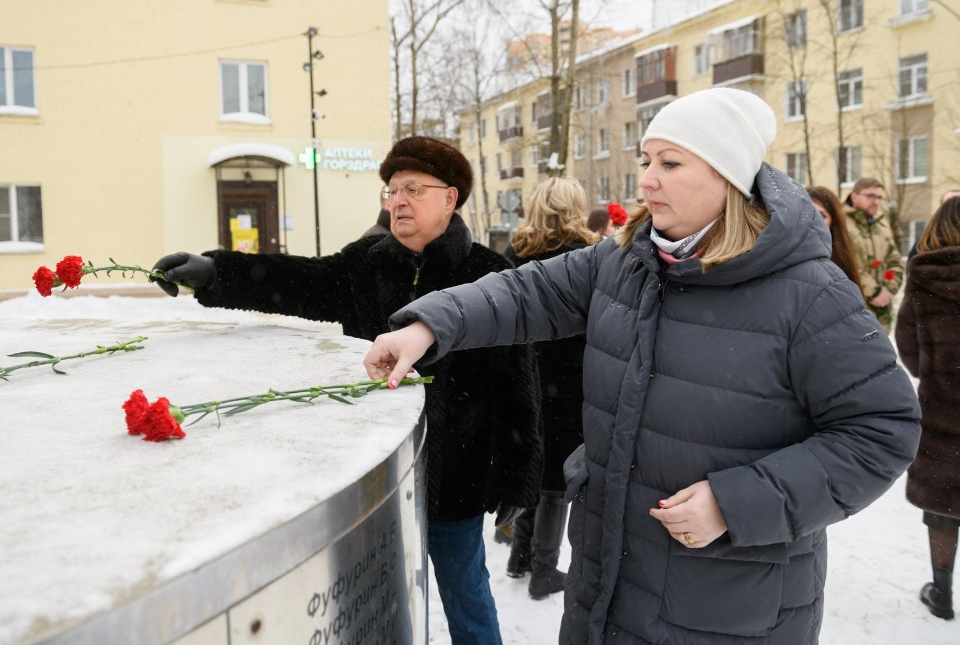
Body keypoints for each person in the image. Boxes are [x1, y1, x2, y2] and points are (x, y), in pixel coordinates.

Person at [363, 88, 921, 644]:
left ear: (728, 176)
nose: (648, 180)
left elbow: (882, 431)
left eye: (671, 163)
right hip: (608, 587)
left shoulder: (809, 294)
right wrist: (428, 326)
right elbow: (524, 292)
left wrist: (738, 503)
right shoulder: (628, 261)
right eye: (646, 162)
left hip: (728, 608)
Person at [151, 136, 544, 645]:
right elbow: (295, 281)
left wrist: (517, 475)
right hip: (375, 477)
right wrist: (214, 272)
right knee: (384, 602)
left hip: (457, 480)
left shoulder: (488, 274)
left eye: (412, 190)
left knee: (466, 597)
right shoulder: (367, 263)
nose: (396, 201)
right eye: (391, 190)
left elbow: (519, 382)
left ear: (450, 198)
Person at [502, 177, 597, 600]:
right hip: (570, 378)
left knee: (532, 463)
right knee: (556, 480)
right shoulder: (587, 256)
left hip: (524, 373)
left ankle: (520, 556)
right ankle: (544, 569)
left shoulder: (514, 253)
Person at [895, 196, 960, 621]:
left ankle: (941, 593)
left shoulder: (923, 279)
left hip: (943, 412)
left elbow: (910, 351)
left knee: (943, 506)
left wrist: (938, 372)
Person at [843, 177, 903, 332]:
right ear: (854, 196)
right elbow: (843, 263)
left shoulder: (882, 224)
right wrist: (874, 291)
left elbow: (894, 260)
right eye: (870, 196)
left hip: (882, 315)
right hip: (852, 310)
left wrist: (889, 289)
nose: (876, 201)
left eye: (879, 197)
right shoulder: (841, 223)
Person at [805, 185, 863, 295]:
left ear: (833, 221)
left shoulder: (841, 261)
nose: (814, 219)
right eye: (808, 212)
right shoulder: (783, 254)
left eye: (822, 215)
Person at [907, 189, 960, 262]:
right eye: (948, 204)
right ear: (941, 209)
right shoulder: (924, 244)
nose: (954, 210)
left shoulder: (924, 244)